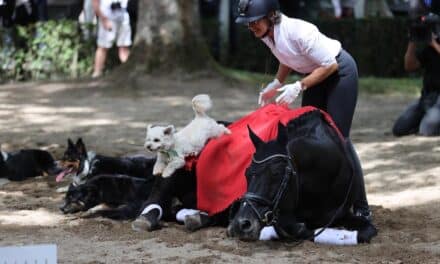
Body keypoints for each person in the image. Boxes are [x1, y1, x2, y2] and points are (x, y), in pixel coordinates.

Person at [235, 0, 372, 221]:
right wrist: (277, 83)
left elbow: (330, 65)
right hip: (315, 76)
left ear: (271, 16)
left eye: (254, 22)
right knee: (310, 136)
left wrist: (300, 85)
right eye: (248, 24)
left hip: (339, 72)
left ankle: (361, 205)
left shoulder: (299, 31)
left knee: (338, 137)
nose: (251, 27)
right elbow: (286, 57)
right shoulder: (266, 34)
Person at [392, 6, 440, 136]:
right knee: (399, 129)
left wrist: (434, 44)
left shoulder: (433, 44)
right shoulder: (429, 48)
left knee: (427, 129)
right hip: (427, 96)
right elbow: (410, 66)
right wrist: (412, 41)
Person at [91, 0, 131, 78]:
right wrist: (103, 19)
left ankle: (128, 72)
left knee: (124, 46)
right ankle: (97, 73)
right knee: (103, 47)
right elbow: (95, 2)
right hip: (107, 17)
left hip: (123, 17)